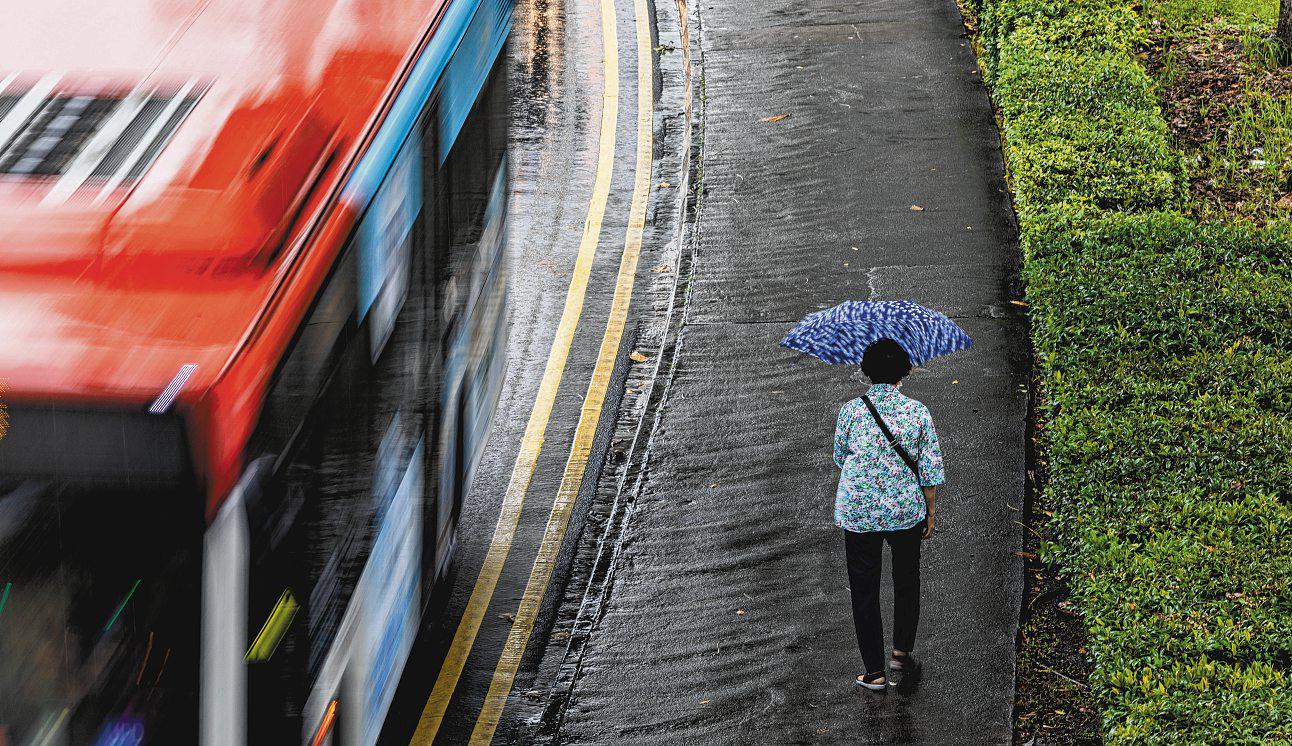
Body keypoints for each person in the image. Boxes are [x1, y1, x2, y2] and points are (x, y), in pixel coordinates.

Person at [833, 338, 945, 691]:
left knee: (864, 588)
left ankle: (874, 672)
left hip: (860, 513)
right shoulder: (918, 412)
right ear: (903, 372)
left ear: (867, 371)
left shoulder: (850, 411)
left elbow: (840, 457)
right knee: (906, 580)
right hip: (905, 512)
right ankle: (900, 652)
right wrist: (928, 513)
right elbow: (930, 471)